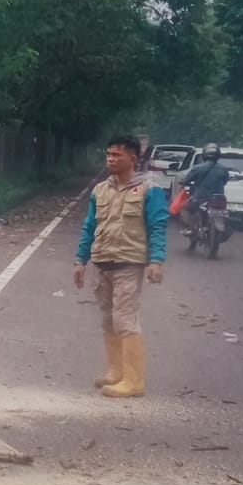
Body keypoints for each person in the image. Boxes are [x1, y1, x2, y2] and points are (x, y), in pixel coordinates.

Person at [74, 134, 168, 398]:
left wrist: (156, 261)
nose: (110, 159)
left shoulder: (151, 189)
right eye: (108, 154)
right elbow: (90, 226)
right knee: (108, 320)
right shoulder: (100, 190)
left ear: (133, 158)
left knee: (125, 320)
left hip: (129, 263)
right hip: (102, 262)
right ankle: (116, 372)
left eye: (116, 155)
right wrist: (80, 260)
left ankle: (134, 381)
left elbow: (158, 226)